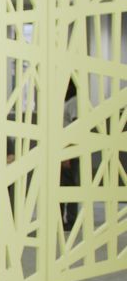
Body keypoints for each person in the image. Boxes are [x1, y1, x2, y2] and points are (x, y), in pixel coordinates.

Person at [61, 78, 79, 231]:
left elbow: (76, 127)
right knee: (63, 186)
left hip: (70, 152)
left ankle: (71, 220)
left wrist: (68, 153)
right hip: (63, 151)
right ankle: (62, 219)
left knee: (70, 186)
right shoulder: (68, 101)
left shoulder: (74, 102)